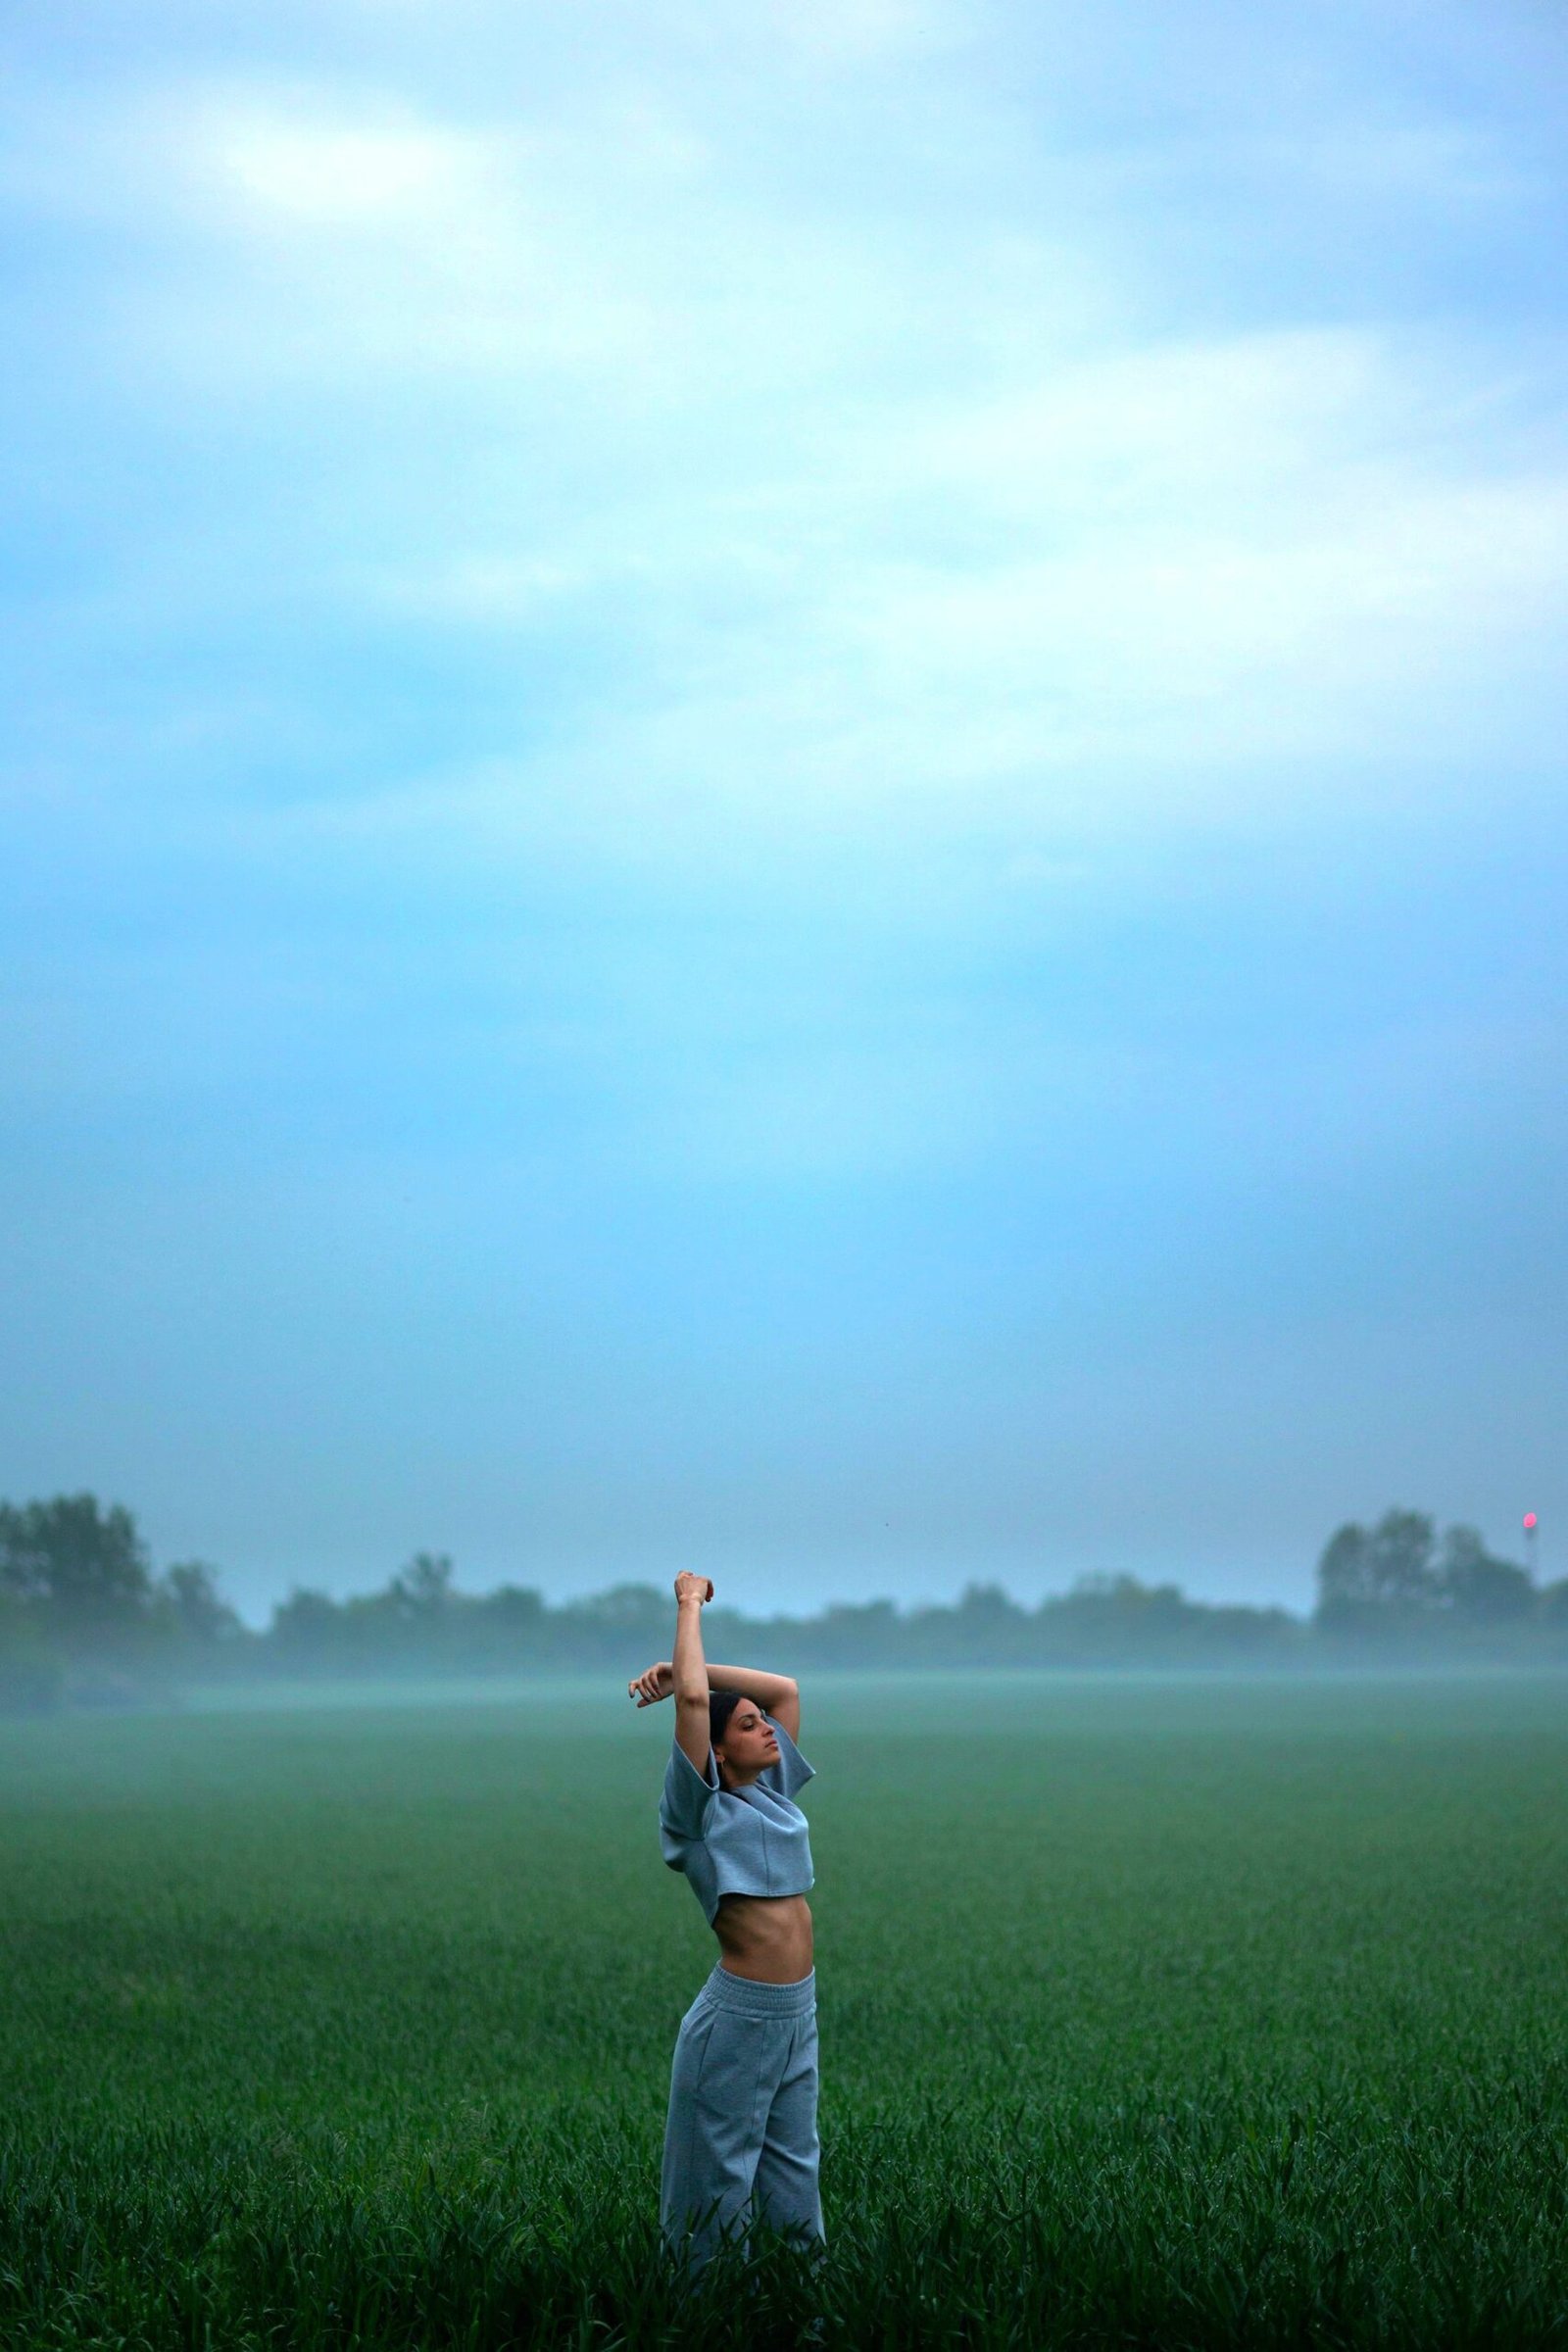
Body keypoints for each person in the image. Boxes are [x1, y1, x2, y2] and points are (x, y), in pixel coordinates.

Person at [628, 1571, 823, 2270]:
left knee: (793, 2173)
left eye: (759, 1723)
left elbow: (784, 1690)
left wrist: (697, 1670)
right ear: (714, 1750)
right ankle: (705, 2319)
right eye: (745, 1726)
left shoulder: (771, 1791)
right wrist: (688, 1603)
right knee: (715, 2193)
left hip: (795, 2010)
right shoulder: (697, 1811)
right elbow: (689, 1702)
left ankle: (805, 2311)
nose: (766, 1727)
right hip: (738, 2019)